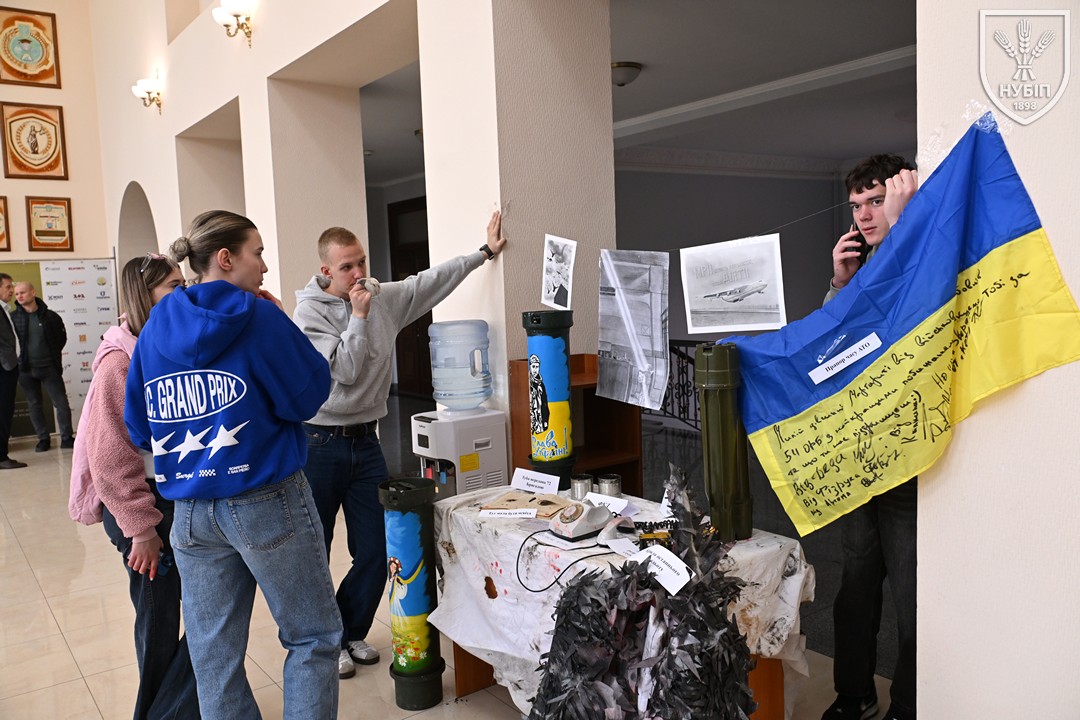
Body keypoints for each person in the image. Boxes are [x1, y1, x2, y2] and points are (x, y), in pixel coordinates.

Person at [124, 210, 341, 720]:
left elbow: (139, 427)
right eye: (257, 253)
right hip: (265, 499)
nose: (264, 265)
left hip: (190, 514)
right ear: (225, 258)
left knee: (212, 656)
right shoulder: (260, 317)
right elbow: (307, 397)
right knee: (312, 638)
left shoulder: (154, 327)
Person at [293, 210, 506, 679]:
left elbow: (428, 283)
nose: (358, 273)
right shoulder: (308, 314)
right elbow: (344, 372)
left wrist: (484, 253)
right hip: (319, 442)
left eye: (362, 262)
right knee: (315, 552)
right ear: (326, 271)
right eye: (347, 266)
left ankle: (350, 630)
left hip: (366, 442)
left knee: (377, 550)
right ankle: (324, 645)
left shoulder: (381, 297)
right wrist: (359, 318)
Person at [73, 254, 199, 720]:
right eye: (173, 286)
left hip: (172, 498)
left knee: (206, 612)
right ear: (144, 296)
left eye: (185, 283)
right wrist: (142, 530)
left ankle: (175, 709)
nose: (184, 293)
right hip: (141, 508)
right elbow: (109, 458)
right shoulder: (120, 361)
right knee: (159, 621)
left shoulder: (169, 344)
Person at [822, 154, 919, 720]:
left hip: (907, 457)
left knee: (911, 594)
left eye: (876, 201)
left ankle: (908, 704)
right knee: (855, 586)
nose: (863, 214)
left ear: (901, 195)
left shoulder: (919, 247)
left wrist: (904, 226)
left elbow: (909, 317)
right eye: (856, 205)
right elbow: (834, 343)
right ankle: (853, 695)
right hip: (859, 457)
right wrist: (839, 284)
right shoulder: (861, 267)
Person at [12, 281, 75, 451]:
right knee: (34, 404)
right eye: (17, 294)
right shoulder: (13, 318)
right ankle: (43, 439)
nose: (19, 296)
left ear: (33, 292)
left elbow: (61, 339)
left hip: (49, 368)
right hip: (25, 369)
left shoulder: (51, 316)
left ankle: (67, 438)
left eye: (23, 292)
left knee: (61, 403)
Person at [0, 274, 27, 470]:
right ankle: (1, 457)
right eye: (8, 287)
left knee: (5, 411)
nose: (12, 290)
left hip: (9, 367)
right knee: (2, 412)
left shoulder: (5, 309)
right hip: (3, 369)